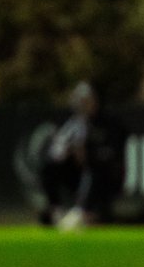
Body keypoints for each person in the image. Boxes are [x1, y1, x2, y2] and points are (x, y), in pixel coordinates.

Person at [41, 82, 121, 229]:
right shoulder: (72, 124)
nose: (85, 105)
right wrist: (70, 152)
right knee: (49, 167)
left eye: (88, 101)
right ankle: (57, 209)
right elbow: (57, 153)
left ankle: (83, 211)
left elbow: (109, 154)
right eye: (82, 101)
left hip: (101, 176)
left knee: (93, 168)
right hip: (74, 172)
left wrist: (87, 155)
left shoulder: (107, 123)